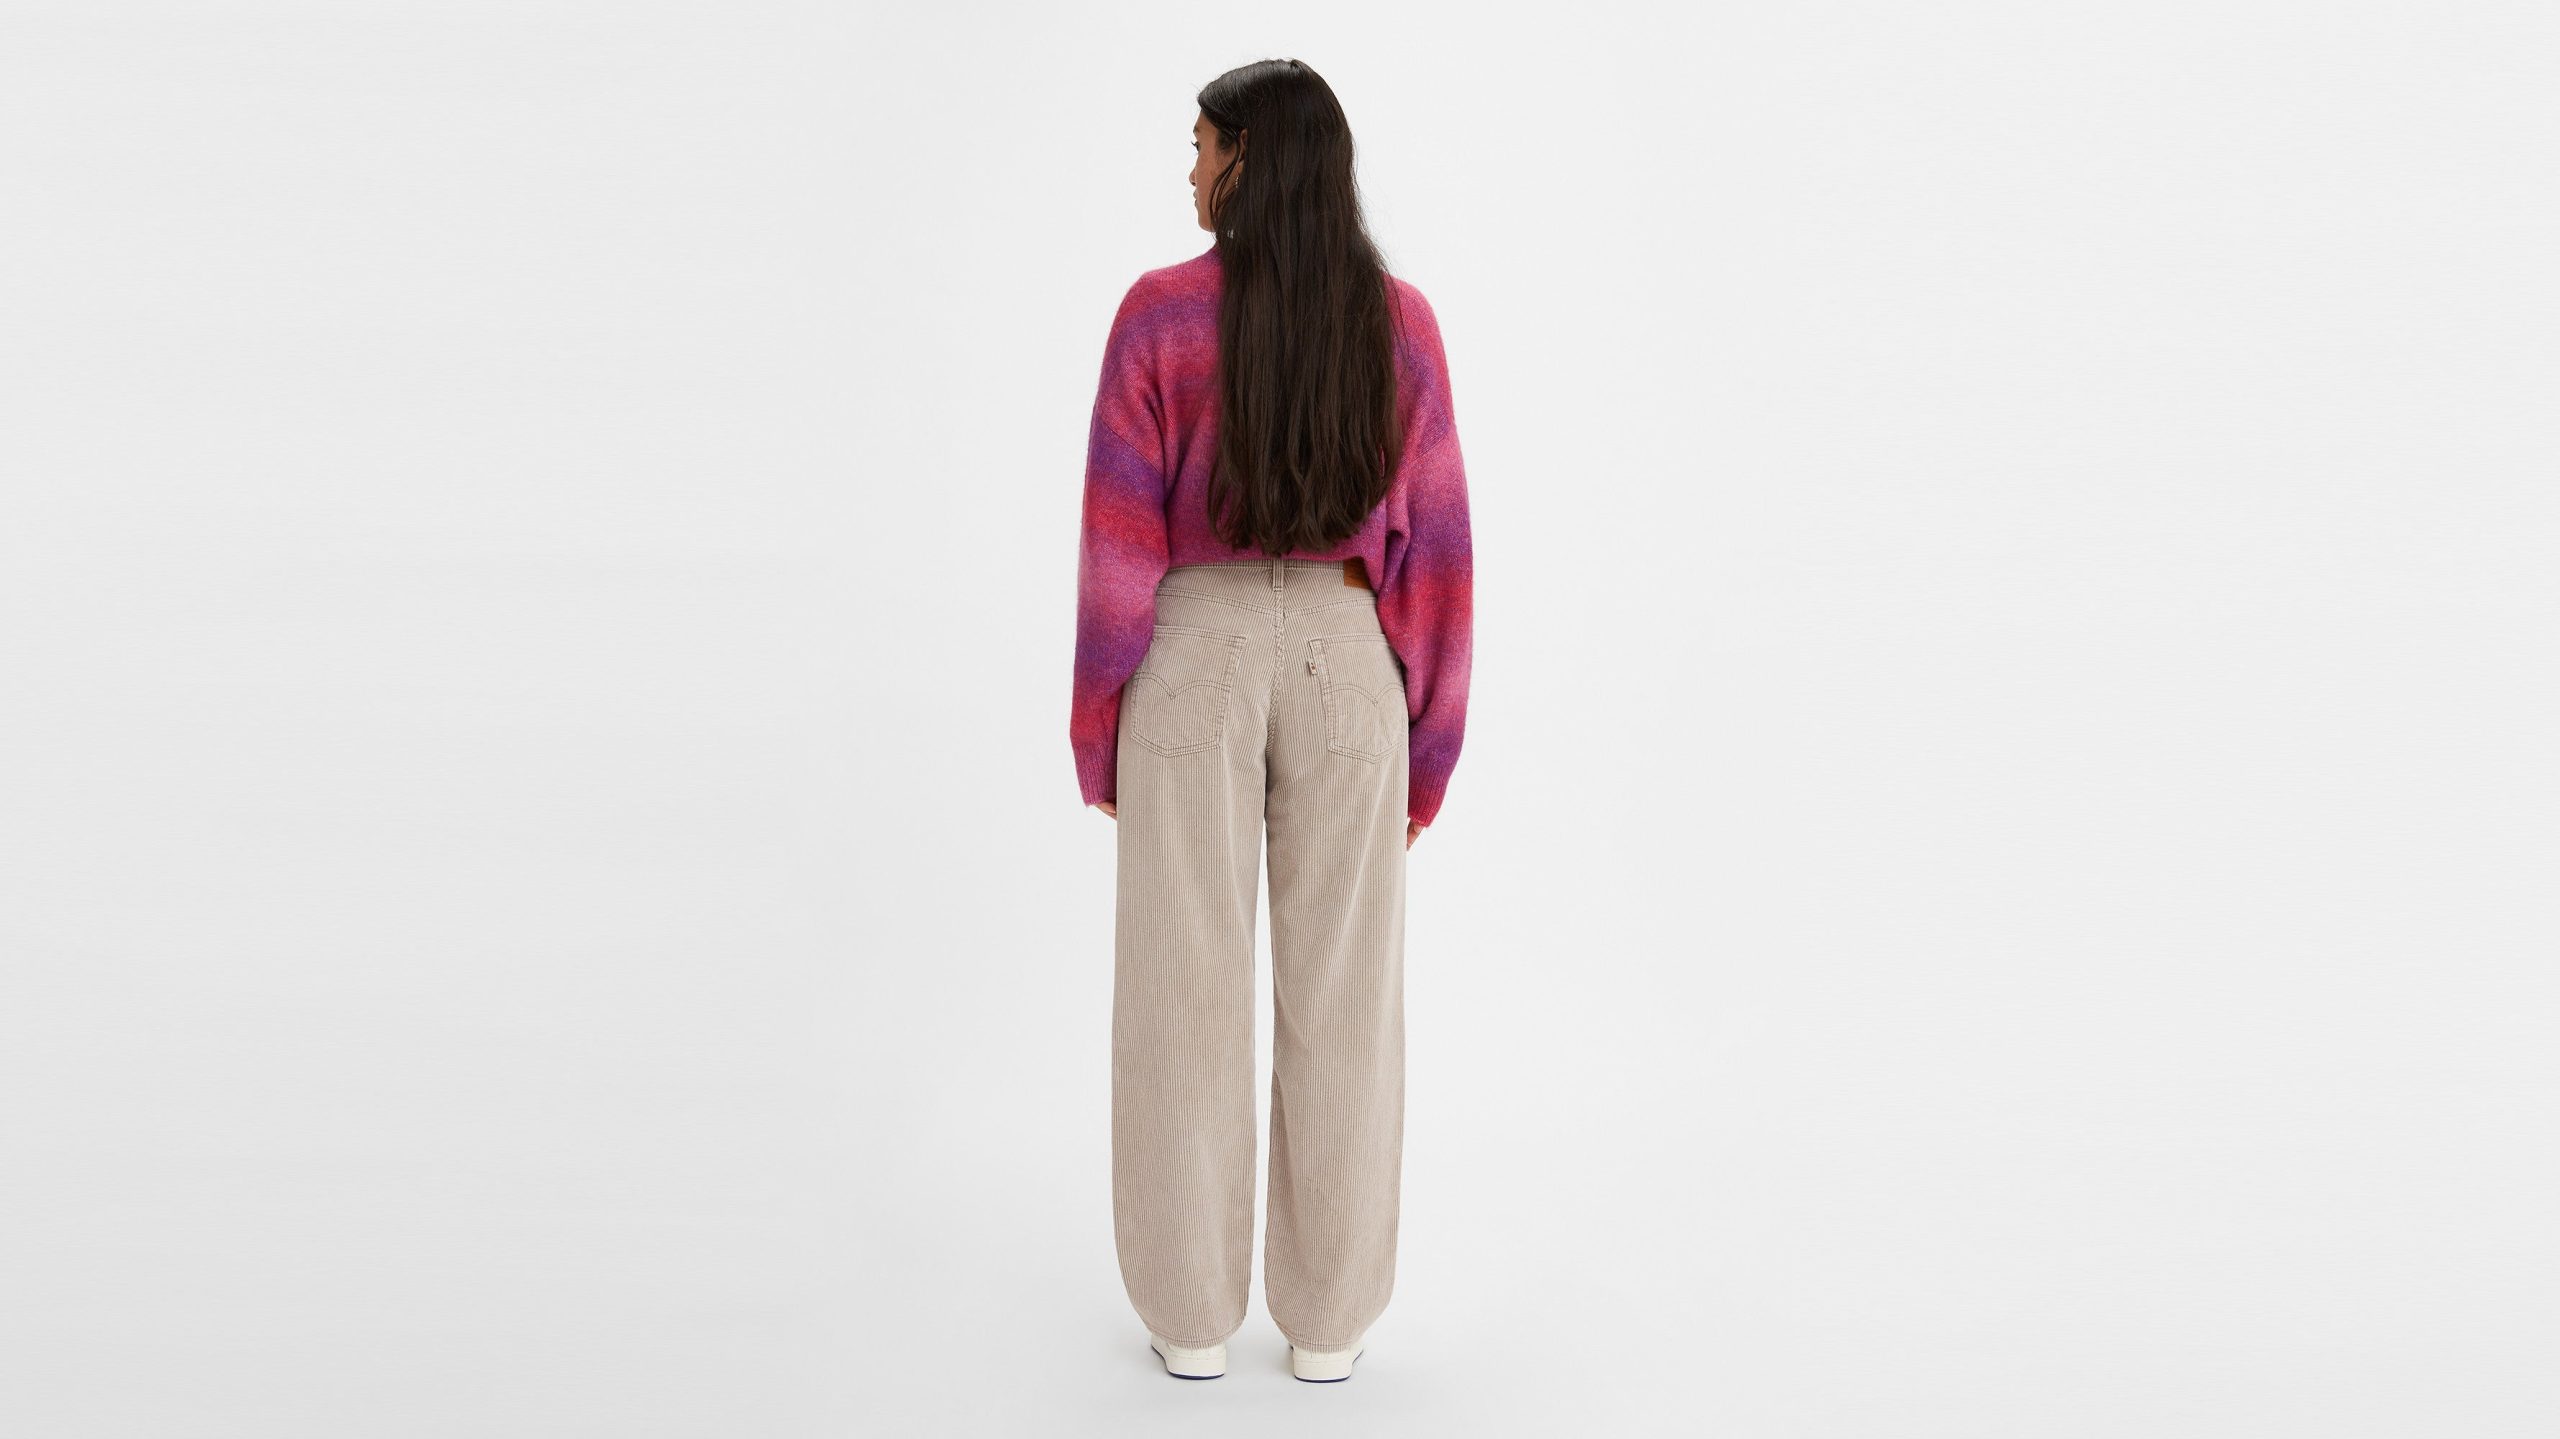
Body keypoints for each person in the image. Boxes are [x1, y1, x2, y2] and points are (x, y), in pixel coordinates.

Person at [1067, 58, 1475, 1384]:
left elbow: (1118, 549)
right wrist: (1427, 751)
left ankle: (1189, 1318)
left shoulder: (1158, 317)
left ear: (1250, 159)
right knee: (1346, 998)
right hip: (1350, 661)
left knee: (1180, 989)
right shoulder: (1398, 325)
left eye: (1202, 144)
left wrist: (1099, 727)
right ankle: (1330, 1323)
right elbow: (1438, 554)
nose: (1188, 168)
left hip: (1193, 653)